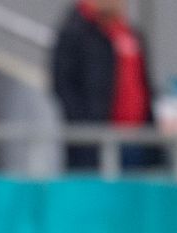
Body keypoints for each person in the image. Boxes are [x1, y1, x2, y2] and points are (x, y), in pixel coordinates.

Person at [52, 0, 157, 171]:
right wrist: (86, 129)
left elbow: (144, 86)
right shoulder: (74, 32)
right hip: (95, 144)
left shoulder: (131, 34)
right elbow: (63, 86)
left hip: (137, 141)